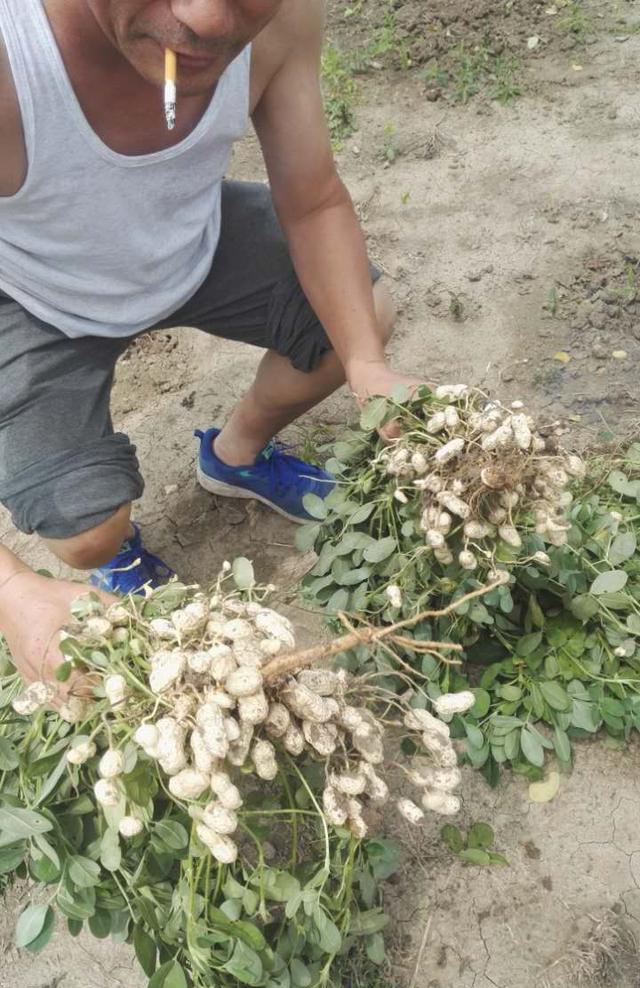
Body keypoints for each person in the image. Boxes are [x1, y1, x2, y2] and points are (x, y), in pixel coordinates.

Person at [0, 0, 415, 683]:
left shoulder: (283, 20)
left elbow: (313, 202)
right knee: (85, 532)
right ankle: (114, 548)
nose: (208, 21)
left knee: (360, 317)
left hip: (187, 242)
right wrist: (13, 589)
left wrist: (368, 365)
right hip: (39, 297)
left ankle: (236, 455)